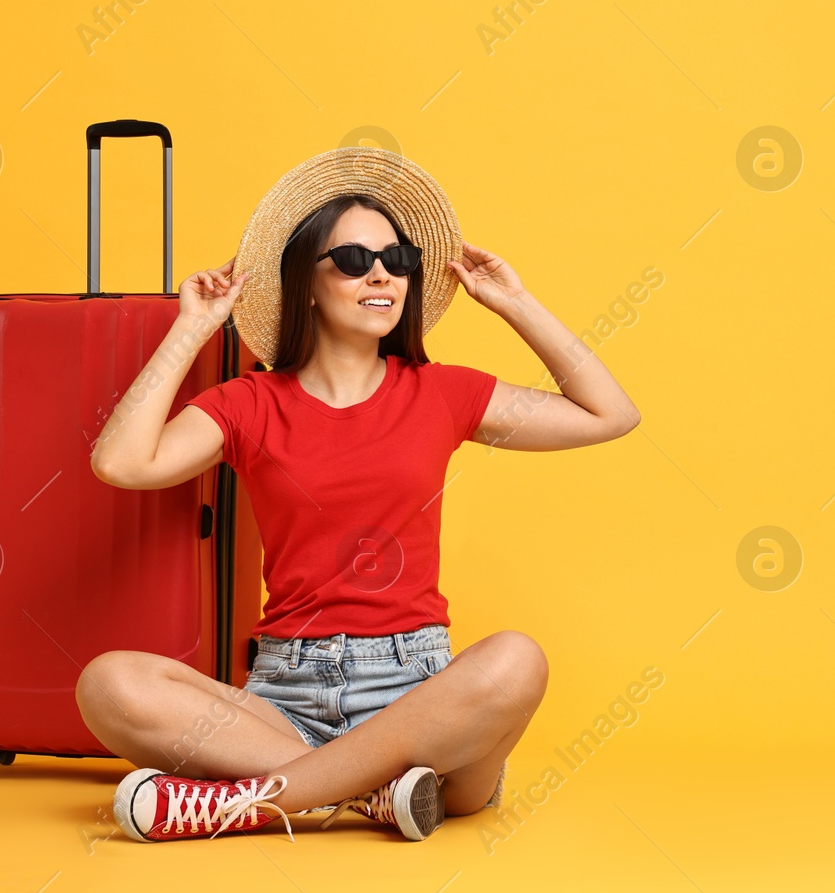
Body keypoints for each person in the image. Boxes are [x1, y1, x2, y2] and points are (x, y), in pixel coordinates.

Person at [75, 148, 640, 843]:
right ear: (306, 284)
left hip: (420, 695)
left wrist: (516, 303)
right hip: (284, 698)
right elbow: (122, 462)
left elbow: (609, 414)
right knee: (108, 682)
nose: (380, 274)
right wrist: (193, 326)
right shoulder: (249, 404)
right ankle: (371, 793)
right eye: (350, 259)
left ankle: (243, 805)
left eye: (397, 259)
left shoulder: (442, 392)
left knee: (516, 659)